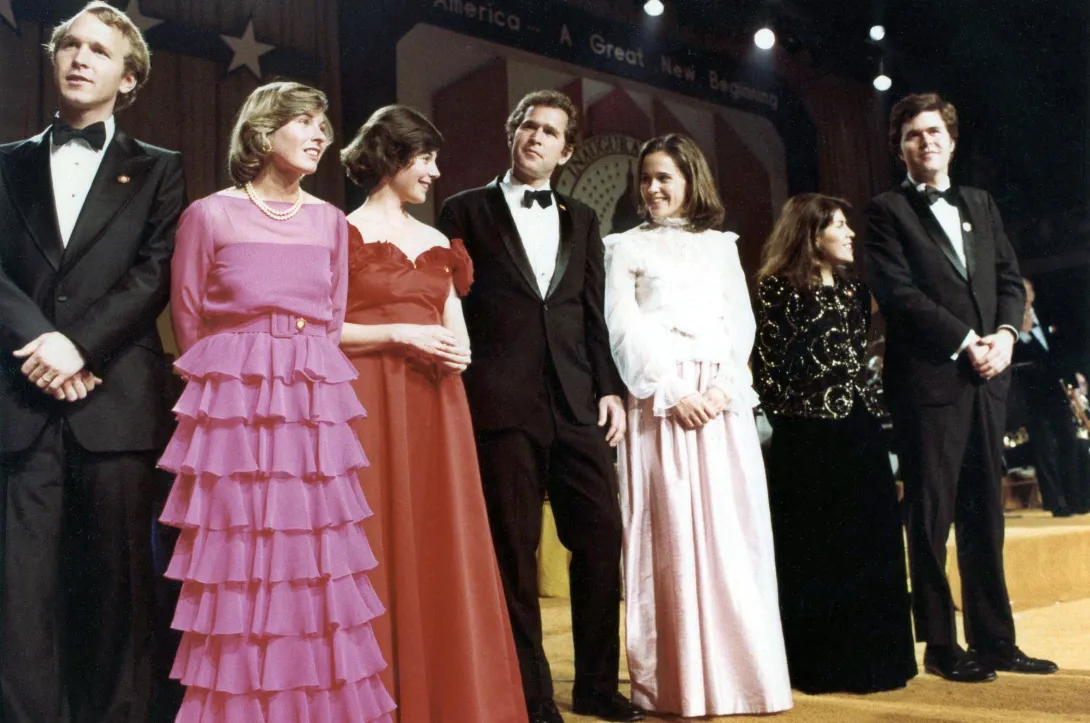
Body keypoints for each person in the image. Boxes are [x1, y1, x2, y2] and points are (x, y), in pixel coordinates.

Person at [158, 81, 395, 721]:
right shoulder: (208, 215)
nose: (322, 135)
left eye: (325, 125)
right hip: (231, 408)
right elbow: (188, 324)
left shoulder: (328, 223)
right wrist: (230, 392)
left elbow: (330, 317)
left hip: (310, 407)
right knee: (239, 559)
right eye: (308, 123)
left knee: (312, 560)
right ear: (264, 133)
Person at [0, 3, 185, 720]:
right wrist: (45, 343)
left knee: (117, 597)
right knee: (20, 601)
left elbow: (155, 273)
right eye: (69, 45)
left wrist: (79, 346)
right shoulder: (6, 163)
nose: (80, 57)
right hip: (20, 399)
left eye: (99, 50)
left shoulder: (161, 171)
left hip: (114, 406)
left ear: (128, 76)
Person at [437, 90, 640, 723]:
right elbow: (452, 305)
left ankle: (598, 687)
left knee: (603, 540)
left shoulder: (583, 217)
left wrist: (610, 388)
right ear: (511, 132)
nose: (536, 137)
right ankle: (530, 693)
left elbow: (591, 312)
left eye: (550, 131)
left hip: (578, 400)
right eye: (529, 125)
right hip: (501, 403)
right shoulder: (463, 209)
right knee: (514, 553)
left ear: (566, 149)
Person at [336, 105, 527, 722]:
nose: (435, 173)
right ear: (393, 159)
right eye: (426, 160)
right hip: (365, 401)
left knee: (439, 542)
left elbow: (458, 337)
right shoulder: (338, 233)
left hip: (436, 408)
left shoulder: (441, 243)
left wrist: (451, 348)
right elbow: (318, 330)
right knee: (373, 538)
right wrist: (398, 334)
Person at [861, 92, 1057, 683]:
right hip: (929, 382)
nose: (927, 142)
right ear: (900, 148)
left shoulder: (980, 202)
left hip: (986, 381)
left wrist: (1003, 334)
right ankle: (942, 646)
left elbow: (1007, 280)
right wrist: (966, 340)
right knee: (930, 516)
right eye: (914, 135)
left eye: (934, 131)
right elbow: (898, 293)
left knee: (984, 516)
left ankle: (996, 639)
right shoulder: (884, 211)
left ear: (951, 138)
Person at [603, 134, 792, 717]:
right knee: (671, 542)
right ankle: (681, 685)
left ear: (690, 181)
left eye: (664, 177)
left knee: (732, 539)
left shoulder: (721, 246)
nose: (653, 188)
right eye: (646, 178)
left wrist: (718, 389)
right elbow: (623, 329)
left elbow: (741, 326)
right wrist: (675, 392)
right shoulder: (623, 247)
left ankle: (743, 681)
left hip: (719, 404)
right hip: (659, 401)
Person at [754, 193, 917, 693]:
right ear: (811, 233)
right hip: (805, 440)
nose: (849, 234)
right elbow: (767, 370)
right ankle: (820, 667)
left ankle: (877, 663)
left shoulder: (854, 291)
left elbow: (855, 361)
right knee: (816, 550)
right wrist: (796, 423)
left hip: (858, 433)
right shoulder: (774, 291)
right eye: (838, 226)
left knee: (872, 543)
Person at [1009, 279, 1090, 517]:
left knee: (1069, 441)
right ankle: (1056, 503)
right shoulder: (1011, 317)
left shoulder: (1046, 313)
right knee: (1044, 449)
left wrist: (1072, 379)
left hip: (1055, 390)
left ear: (1033, 292)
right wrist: (1022, 336)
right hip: (1030, 394)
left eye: (1027, 292)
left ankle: (1076, 499)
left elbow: (1061, 348)